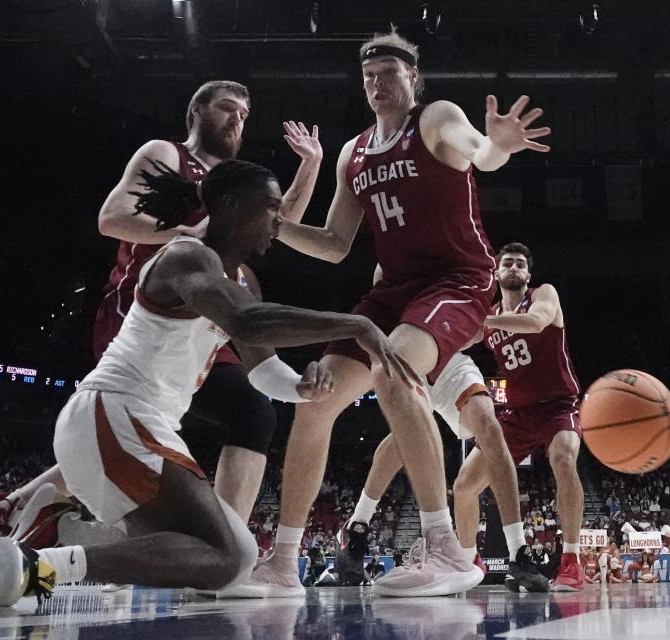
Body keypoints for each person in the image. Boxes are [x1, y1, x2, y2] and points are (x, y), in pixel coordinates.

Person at [0, 159, 415, 606]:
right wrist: (354, 325)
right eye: (271, 208)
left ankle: (57, 527)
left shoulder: (243, 279)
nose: (280, 219)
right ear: (230, 206)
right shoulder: (187, 255)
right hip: (115, 414)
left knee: (235, 557)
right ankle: (38, 567)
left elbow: (263, 371)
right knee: (226, 557)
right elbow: (245, 321)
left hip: (138, 427)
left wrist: (301, 385)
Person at [232, 30, 550, 598]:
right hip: (395, 290)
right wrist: (275, 229)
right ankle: (283, 560)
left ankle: (446, 548)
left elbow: (480, 151)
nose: (378, 83)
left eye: (389, 73)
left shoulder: (434, 120)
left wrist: (498, 146)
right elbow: (333, 243)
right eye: (369, 76)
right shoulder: (353, 154)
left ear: (413, 79)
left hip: (458, 279)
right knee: (315, 396)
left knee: (394, 368)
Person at [0, 80, 323, 545]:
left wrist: (310, 166)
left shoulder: (234, 182)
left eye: (245, 115)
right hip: (143, 307)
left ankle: (9, 508)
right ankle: (218, 546)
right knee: (223, 410)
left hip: (201, 314)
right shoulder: (167, 154)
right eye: (228, 108)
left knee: (239, 410)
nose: (237, 120)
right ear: (196, 110)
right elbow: (112, 219)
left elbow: (276, 222)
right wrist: (199, 230)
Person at [332, 261, 546, 593]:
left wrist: (468, 324)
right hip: (410, 358)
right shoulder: (393, 260)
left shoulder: (455, 257)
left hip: (449, 362)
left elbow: (474, 328)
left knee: (490, 428)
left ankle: (518, 551)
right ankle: (357, 525)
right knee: (404, 439)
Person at [468, 242, 587, 591]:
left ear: (528, 274)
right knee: (465, 484)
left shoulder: (542, 294)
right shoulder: (487, 317)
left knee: (563, 458)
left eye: (521, 263)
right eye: (508, 263)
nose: (515, 267)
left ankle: (571, 561)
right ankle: (465, 561)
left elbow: (535, 324)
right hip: (516, 413)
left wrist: (481, 319)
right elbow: (454, 340)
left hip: (558, 405)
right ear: (497, 273)